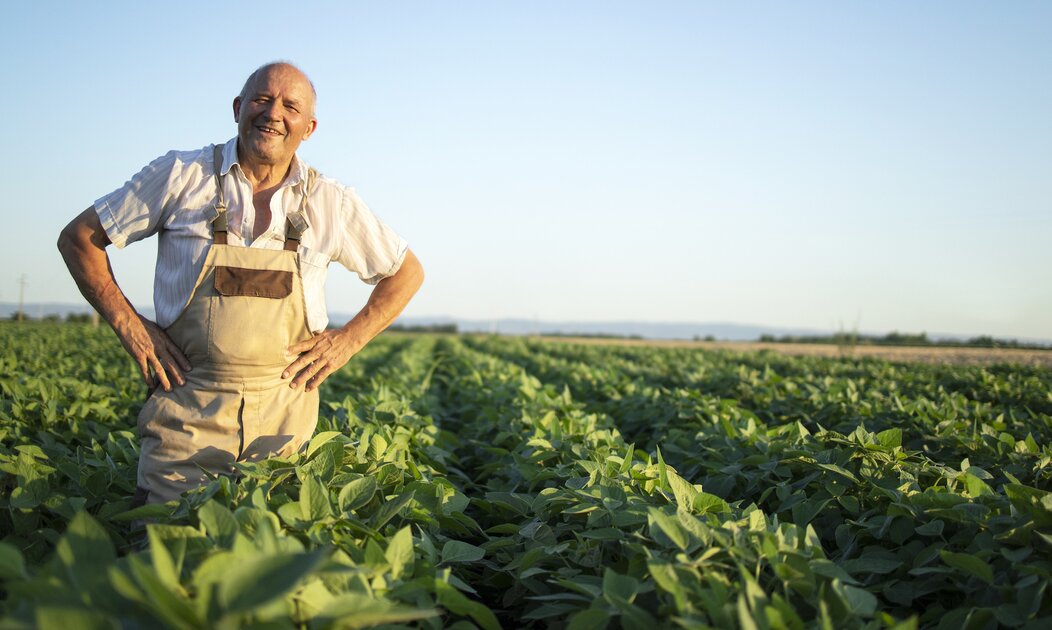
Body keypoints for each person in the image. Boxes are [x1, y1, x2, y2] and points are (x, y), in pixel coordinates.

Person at [57, 62, 424, 504]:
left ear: (308, 128)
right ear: (238, 108)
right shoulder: (181, 176)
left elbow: (405, 272)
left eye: (290, 106)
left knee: (267, 566)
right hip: (185, 428)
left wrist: (347, 341)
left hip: (282, 438)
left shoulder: (330, 201)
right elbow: (80, 239)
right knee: (164, 559)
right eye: (262, 99)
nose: (273, 113)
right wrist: (132, 326)